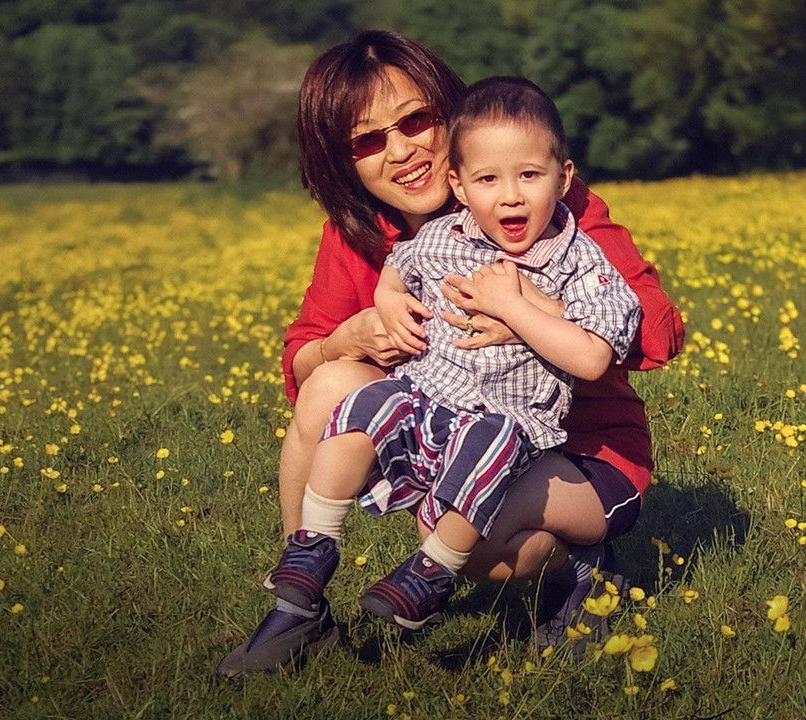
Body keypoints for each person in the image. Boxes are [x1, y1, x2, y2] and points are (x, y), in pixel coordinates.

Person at [216, 32, 684, 679]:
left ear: (449, 112)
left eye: (415, 121)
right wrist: (343, 340)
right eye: (368, 139)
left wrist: (530, 319)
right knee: (330, 384)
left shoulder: (545, 208)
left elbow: (659, 329)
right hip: (461, 426)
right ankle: (301, 611)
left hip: (572, 443)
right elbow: (300, 369)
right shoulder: (363, 232)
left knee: (484, 554)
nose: (401, 151)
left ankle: (584, 568)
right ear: (344, 159)